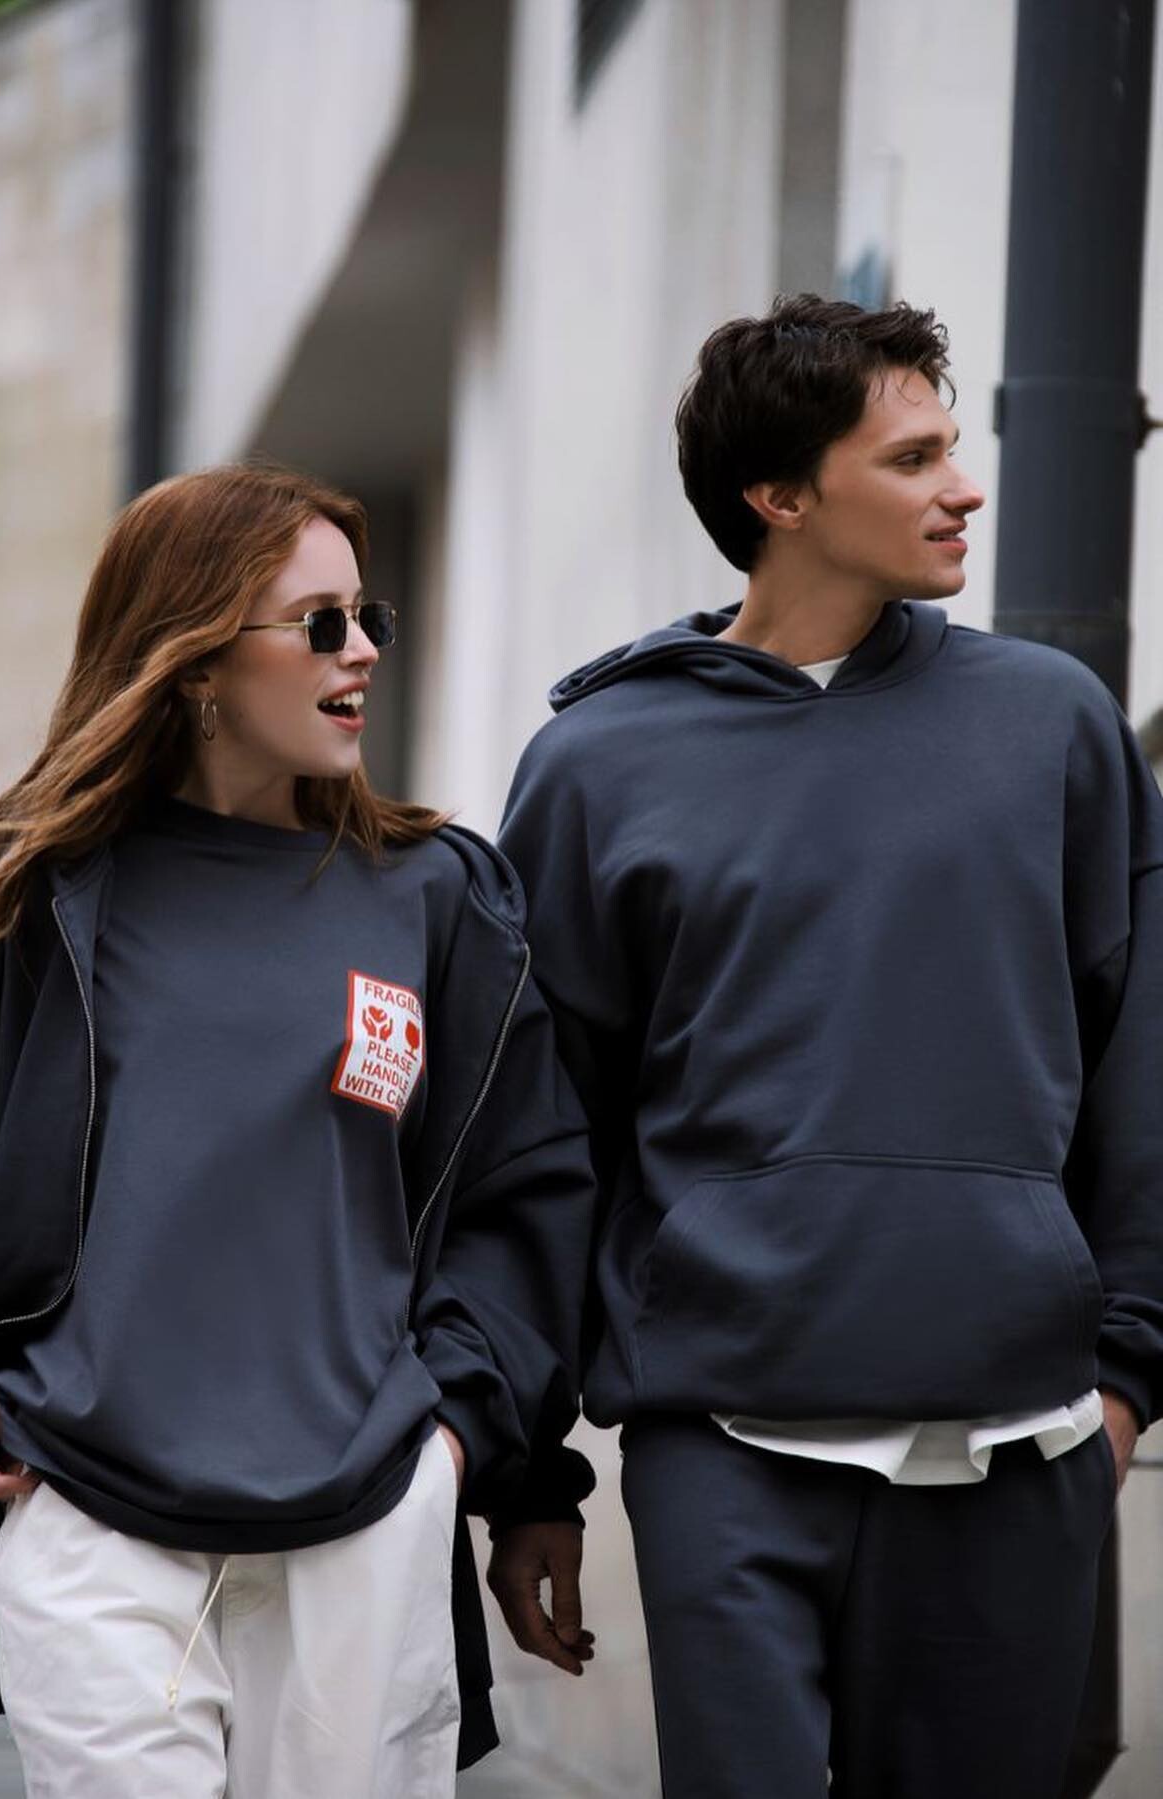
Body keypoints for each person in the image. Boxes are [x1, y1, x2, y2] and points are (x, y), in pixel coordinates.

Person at [0, 462, 595, 1798]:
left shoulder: (438, 900)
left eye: (371, 617)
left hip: (369, 1524)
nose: (363, 652)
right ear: (198, 660)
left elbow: (527, 1201)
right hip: (88, 1517)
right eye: (321, 623)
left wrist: (461, 1438)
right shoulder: (32, 903)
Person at [487, 295, 1163, 1798]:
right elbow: (542, 1145)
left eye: (953, 449)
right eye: (913, 458)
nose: (963, 488)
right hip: (726, 1446)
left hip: (1023, 1451)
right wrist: (533, 1471)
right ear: (780, 497)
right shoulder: (600, 766)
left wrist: (1125, 1377)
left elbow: (1145, 1074)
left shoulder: (1052, 727)